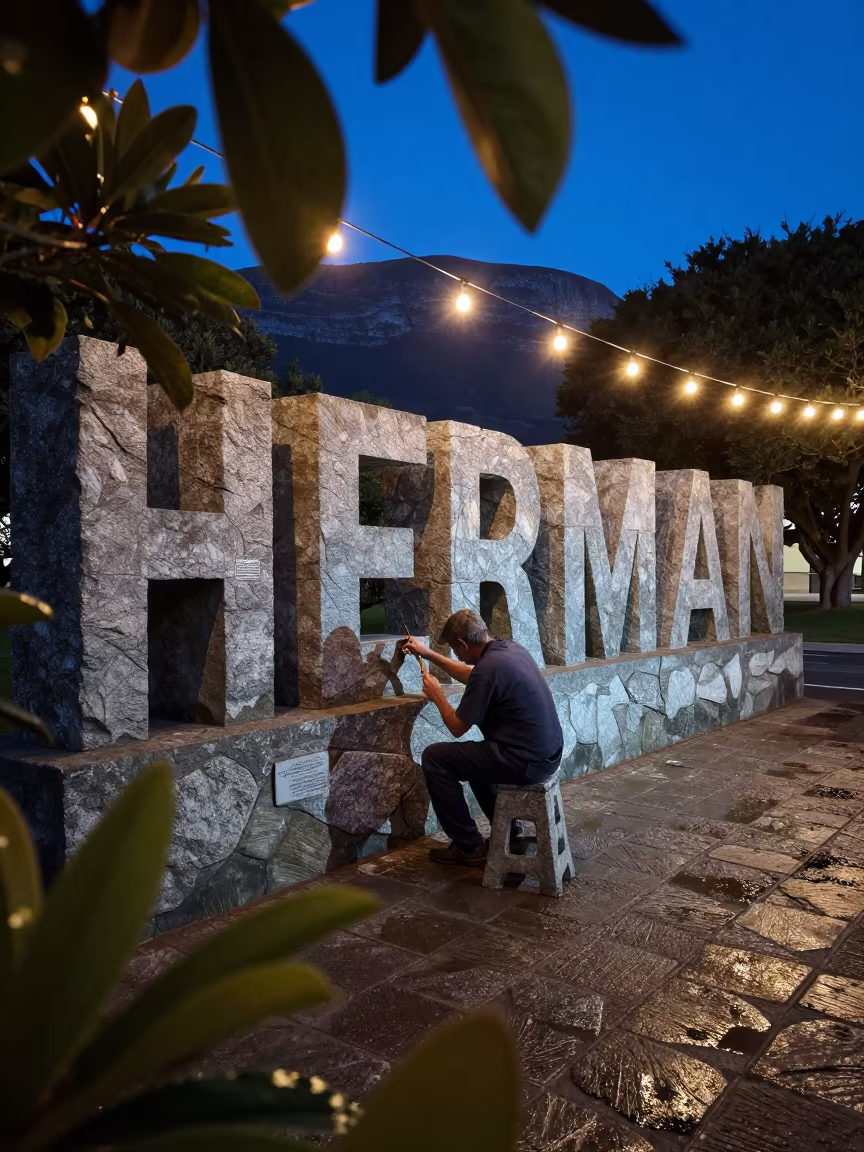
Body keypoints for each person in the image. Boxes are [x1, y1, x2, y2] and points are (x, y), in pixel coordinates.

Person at [402, 608, 563, 866]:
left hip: (526, 762)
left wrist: (437, 695)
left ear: (464, 644)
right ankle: (512, 832)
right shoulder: (508, 650)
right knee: (475, 761)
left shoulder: (488, 668)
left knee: (435, 758)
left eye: (455, 650)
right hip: (547, 754)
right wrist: (428, 654)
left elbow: (456, 727)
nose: (456, 655)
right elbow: (473, 676)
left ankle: (468, 846)